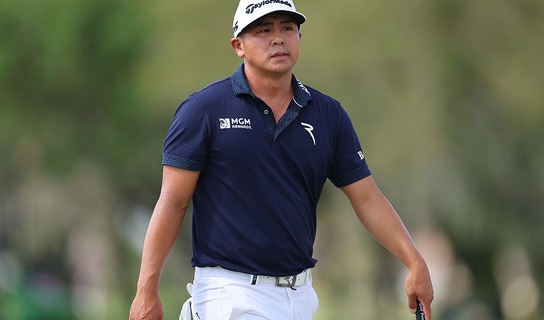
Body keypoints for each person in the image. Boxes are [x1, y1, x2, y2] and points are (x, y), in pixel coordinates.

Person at [129, 0, 434, 319]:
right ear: (238, 46)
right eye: (263, 30)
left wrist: (414, 261)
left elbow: (367, 198)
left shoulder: (328, 114)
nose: (278, 38)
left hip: (300, 296)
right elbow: (172, 202)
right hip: (230, 294)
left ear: (299, 38)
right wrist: (146, 289)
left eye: (287, 28)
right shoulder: (204, 110)